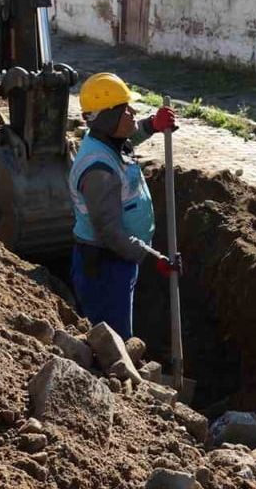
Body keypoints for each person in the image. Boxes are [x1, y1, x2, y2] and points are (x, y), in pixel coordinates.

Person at [69, 72, 181, 340]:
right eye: (125, 109)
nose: (133, 113)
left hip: (119, 259)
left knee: (119, 330)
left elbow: (127, 141)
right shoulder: (98, 171)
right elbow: (110, 233)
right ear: (108, 118)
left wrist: (152, 125)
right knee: (112, 339)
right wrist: (154, 258)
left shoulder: (107, 141)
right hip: (106, 267)